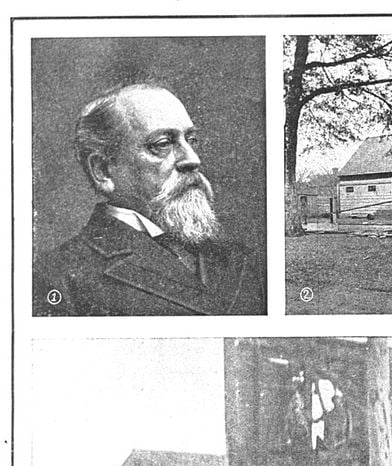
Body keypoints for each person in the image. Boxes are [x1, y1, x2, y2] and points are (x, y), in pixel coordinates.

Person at [33, 83, 265, 316]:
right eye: (163, 144)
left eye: (191, 140)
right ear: (103, 170)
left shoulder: (240, 259)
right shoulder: (56, 275)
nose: (193, 159)